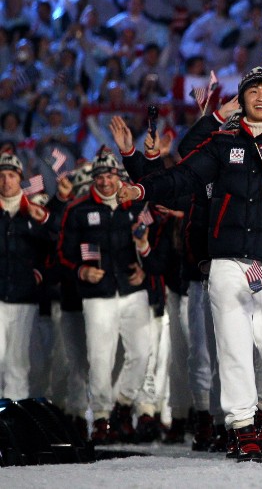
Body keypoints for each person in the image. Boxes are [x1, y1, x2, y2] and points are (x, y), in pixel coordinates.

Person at [119, 66, 262, 462]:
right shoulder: (222, 144)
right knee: (232, 348)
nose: (261, 96)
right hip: (227, 261)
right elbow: (183, 177)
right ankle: (243, 426)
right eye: (253, 91)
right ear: (241, 101)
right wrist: (142, 187)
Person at [58, 148, 154, 445]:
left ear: (119, 176)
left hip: (131, 289)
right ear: (93, 179)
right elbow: (63, 252)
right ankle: (101, 417)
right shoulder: (79, 209)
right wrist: (80, 271)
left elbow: (153, 244)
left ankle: (124, 405)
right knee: (99, 358)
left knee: (141, 353)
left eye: (110, 175)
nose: (105, 181)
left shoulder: (136, 206)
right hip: (97, 293)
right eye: (99, 176)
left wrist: (145, 270)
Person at [0, 151, 52, 400]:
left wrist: (39, 275)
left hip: (25, 297)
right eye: (1, 175)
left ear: (20, 178)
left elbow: (53, 249)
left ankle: (11, 420)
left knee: (18, 363)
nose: (5, 181)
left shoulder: (35, 211)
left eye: (11, 175)